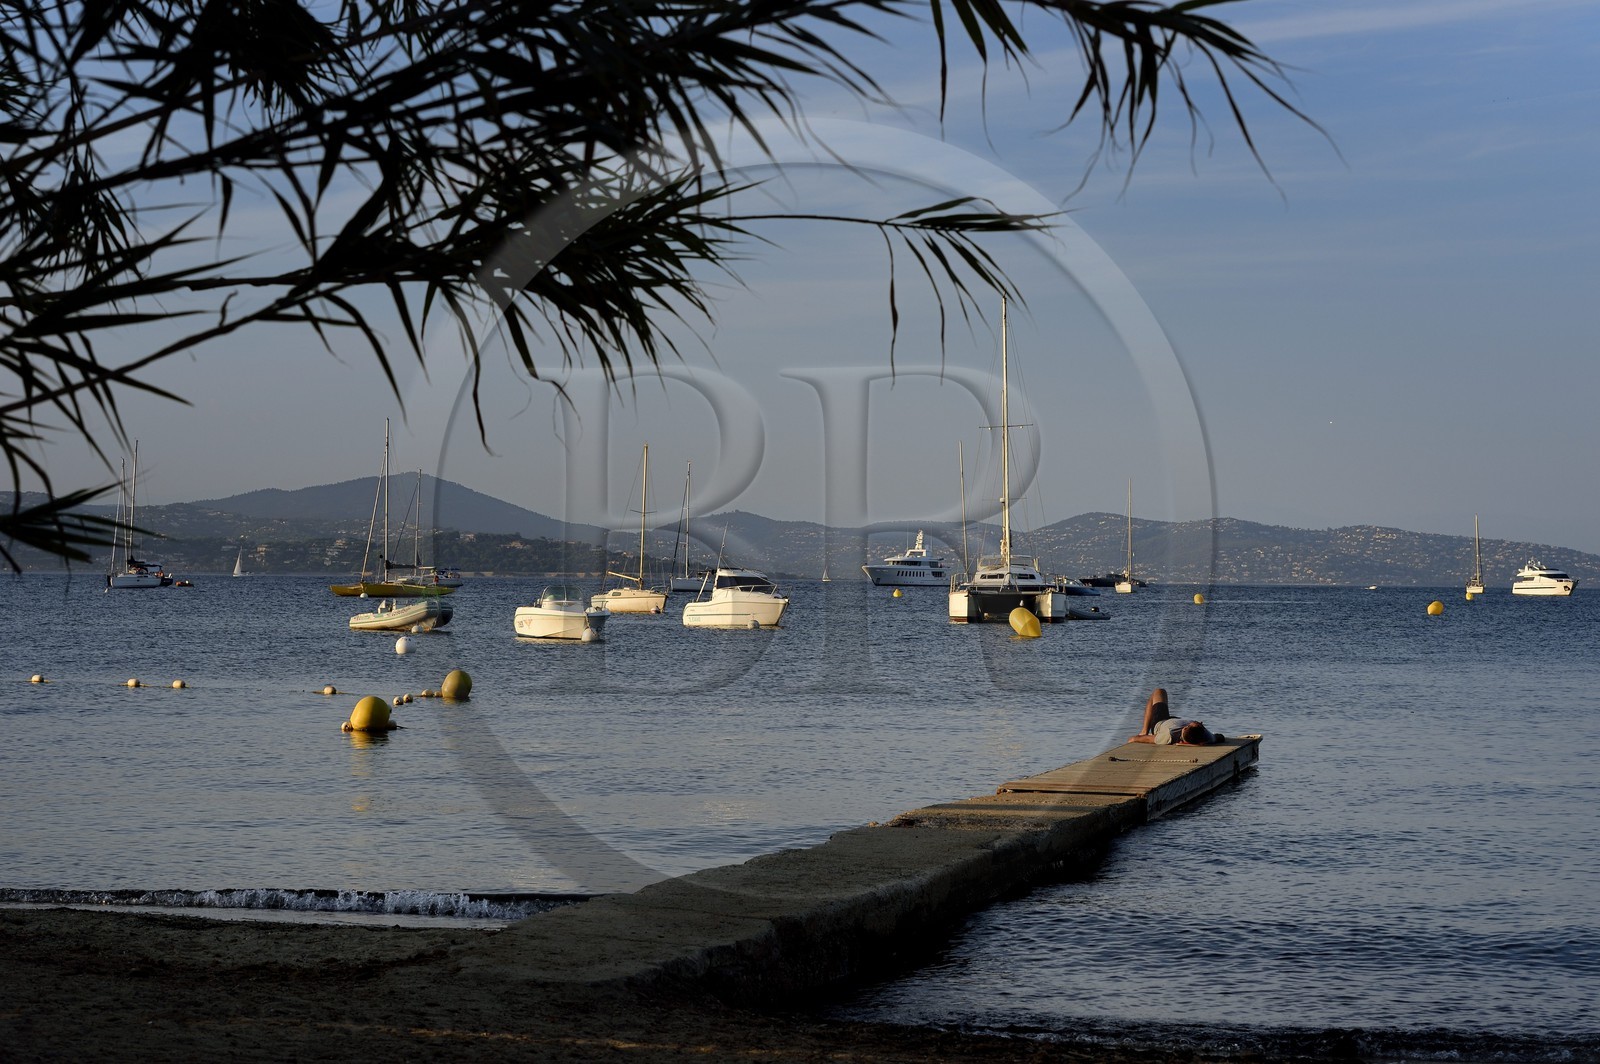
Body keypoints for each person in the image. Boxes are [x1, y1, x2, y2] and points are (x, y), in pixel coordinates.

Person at [1130, 687, 1224, 745]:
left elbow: (1146, 739)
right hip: (1174, 721)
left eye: (1197, 723)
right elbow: (1220, 737)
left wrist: (1134, 739)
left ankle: (1144, 730)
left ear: (1185, 728)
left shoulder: (1169, 736)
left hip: (1160, 722)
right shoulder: (1206, 736)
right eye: (1200, 724)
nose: (1201, 722)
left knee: (1159, 692)